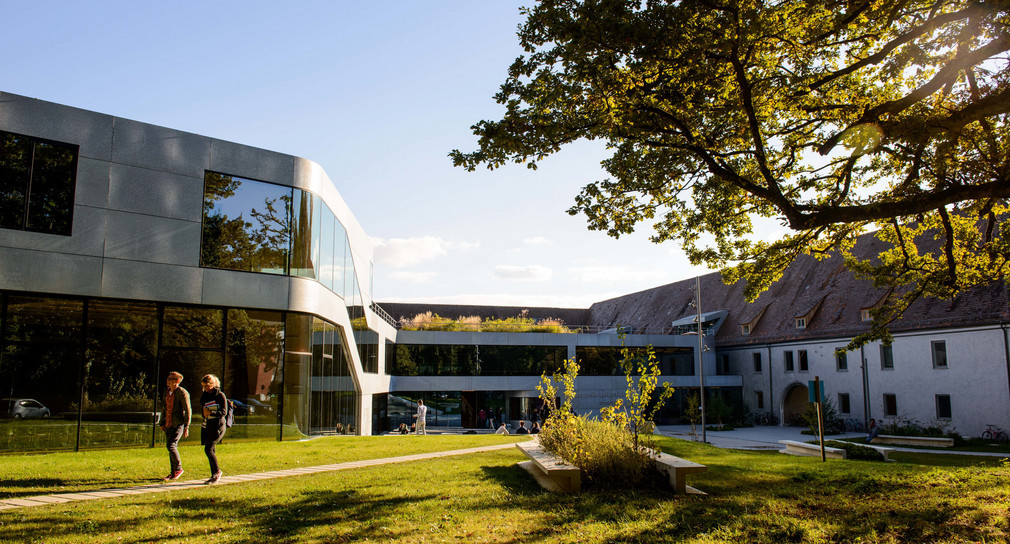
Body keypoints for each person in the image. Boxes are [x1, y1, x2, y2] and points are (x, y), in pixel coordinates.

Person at [161, 371, 191, 481]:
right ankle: (173, 472)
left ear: (177, 381)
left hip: (178, 424)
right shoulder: (167, 392)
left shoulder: (182, 393)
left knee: (171, 445)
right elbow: (164, 408)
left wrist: (186, 426)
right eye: (168, 378)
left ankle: (178, 469)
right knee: (170, 447)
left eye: (171, 379)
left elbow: (188, 410)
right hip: (168, 423)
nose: (168, 380)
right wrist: (162, 422)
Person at [199, 374, 228, 484]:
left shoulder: (220, 395)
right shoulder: (205, 395)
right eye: (204, 386)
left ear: (213, 384)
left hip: (218, 425)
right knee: (212, 449)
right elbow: (202, 405)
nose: (206, 388)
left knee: (208, 448)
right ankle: (214, 475)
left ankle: (217, 472)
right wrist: (205, 412)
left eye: (208, 386)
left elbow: (223, 413)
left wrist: (211, 412)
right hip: (209, 424)